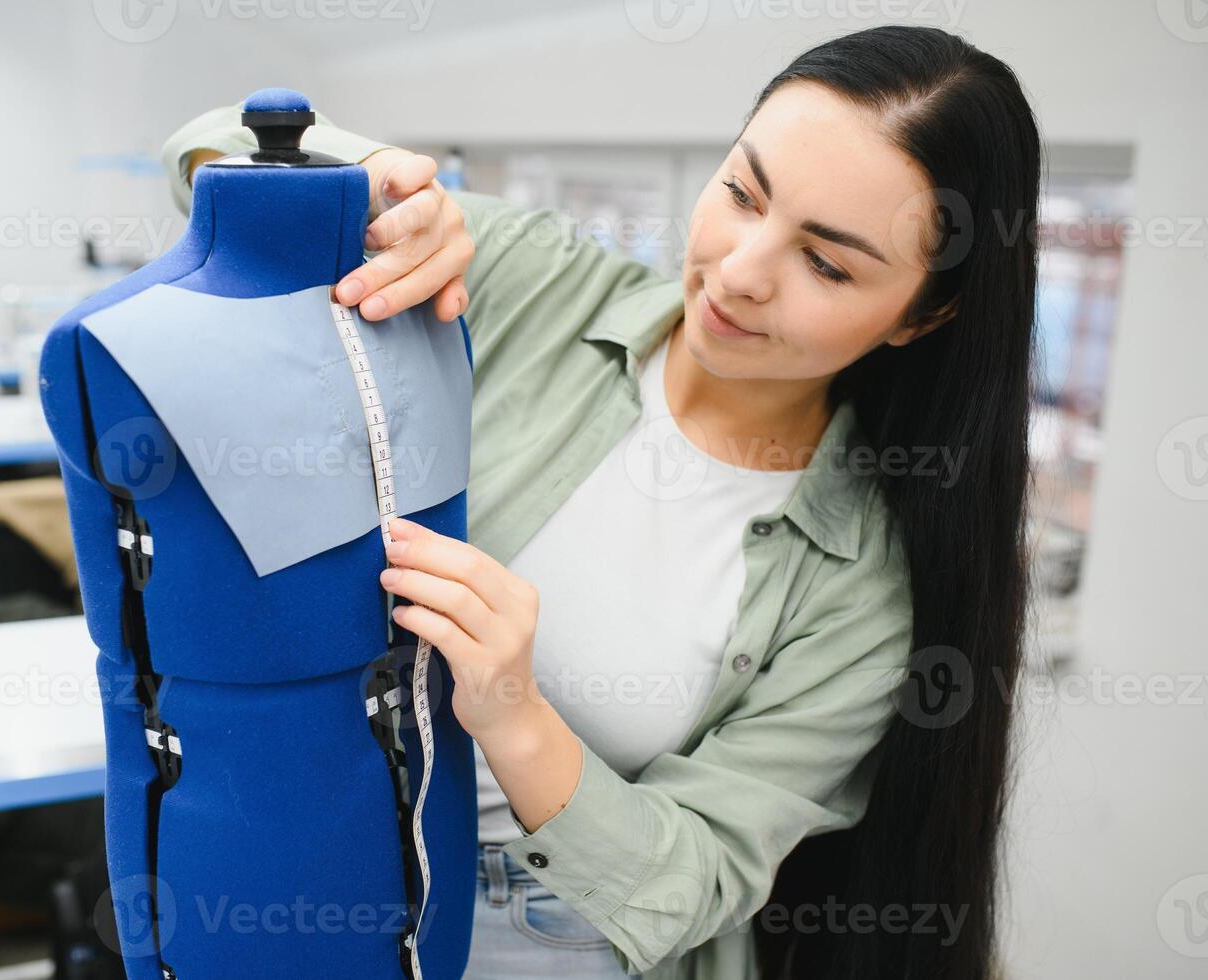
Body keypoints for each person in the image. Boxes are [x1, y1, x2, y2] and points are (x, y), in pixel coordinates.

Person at [160, 24, 1037, 980]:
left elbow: (690, 880)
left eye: (826, 264)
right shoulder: (531, 280)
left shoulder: (857, 593)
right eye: (742, 194)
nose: (742, 271)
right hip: (308, 859)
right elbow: (203, 150)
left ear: (922, 314)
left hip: (542, 936)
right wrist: (379, 182)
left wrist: (514, 711)